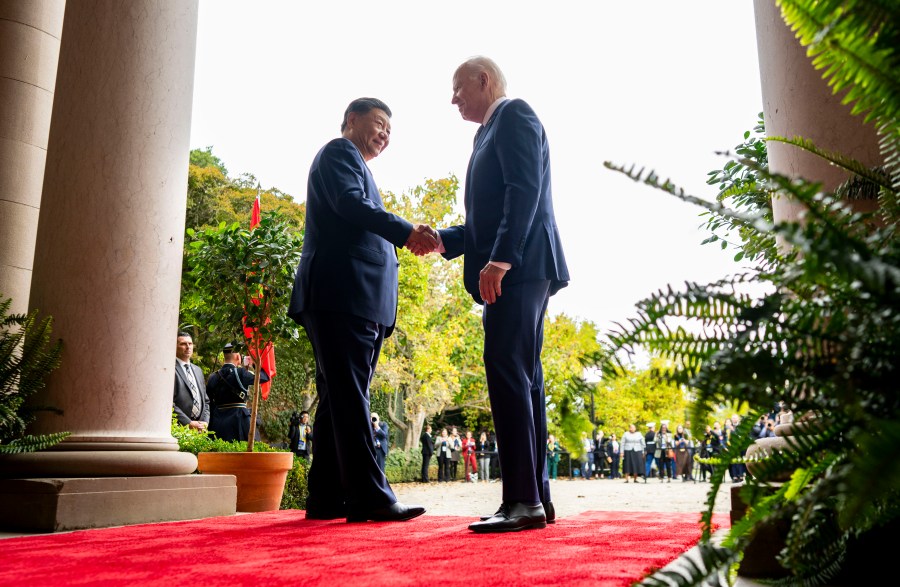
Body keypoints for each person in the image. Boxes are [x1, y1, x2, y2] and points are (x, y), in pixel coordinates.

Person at [435, 57, 569, 533]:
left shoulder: (514, 115)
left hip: (520, 267)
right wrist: (443, 240)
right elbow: (486, 219)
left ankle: (522, 502)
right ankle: (535, 498)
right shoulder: (484, 134)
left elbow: (524, 190)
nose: (454, 99)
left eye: (458, 89)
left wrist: (502, 260)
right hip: (516, 264)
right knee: (524, 376)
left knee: (507, 369)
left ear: (483, 80)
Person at [286, 97, 431, 523]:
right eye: (379, 123)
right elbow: (353, 206)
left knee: (336, 398)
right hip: (340, 295)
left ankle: (326, 497)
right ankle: (372, 497)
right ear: (351, 120)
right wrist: (406, 231)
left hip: (359, 300)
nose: (385, 135)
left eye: (390, 130)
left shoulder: (359, 166)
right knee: (351, 396)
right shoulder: (339, 153)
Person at [206, 342, 270, 442]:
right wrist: (254, 363)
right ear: (237, 356)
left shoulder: (213, 376)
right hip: (238, 420)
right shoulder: (240, 373)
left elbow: (209, 402)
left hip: (218, 422)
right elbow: (264, 377)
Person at [173, 332, 209, 431]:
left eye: (190, 343)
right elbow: (168, 403)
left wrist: (205, 422)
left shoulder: (198, 370)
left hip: (199, 428)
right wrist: (188, 423)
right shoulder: (169, 369)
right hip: (178, 428)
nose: (188, 347)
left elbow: (206, 401)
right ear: (174, 346)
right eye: (183, 344)